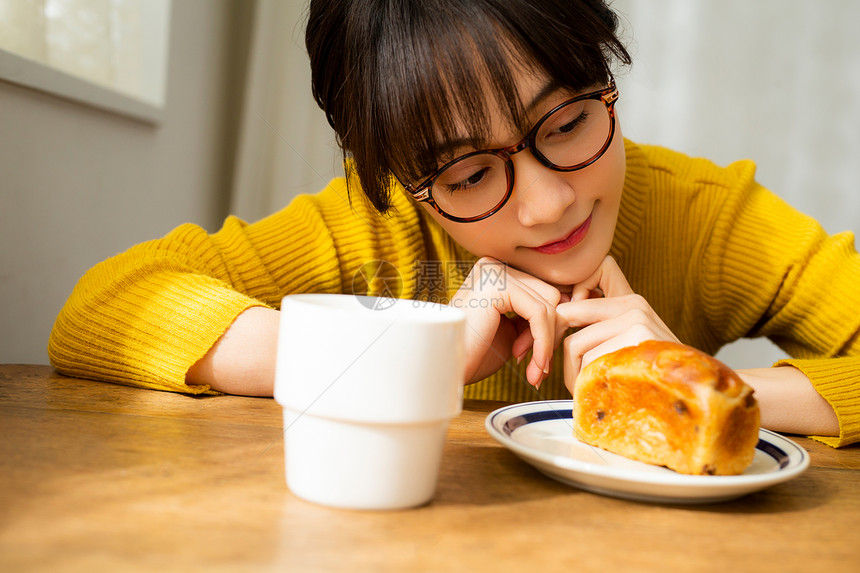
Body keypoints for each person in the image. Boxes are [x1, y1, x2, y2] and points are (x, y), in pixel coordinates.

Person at [49, 0, 859, 447]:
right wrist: (414, 349)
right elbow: (106, 305)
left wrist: (692, 388)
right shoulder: (376, 226)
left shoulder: (706, 217)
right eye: (471, 175)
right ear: (403, 178)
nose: (548, 206)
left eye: (569, 123)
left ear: (605, 73)